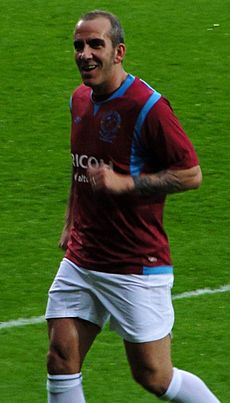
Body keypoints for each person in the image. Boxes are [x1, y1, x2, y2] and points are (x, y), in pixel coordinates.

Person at [45, 10, 220, 403]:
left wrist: (128, 184)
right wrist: (71, 219)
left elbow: (191, 174)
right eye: (78, 45)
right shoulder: (79, 100)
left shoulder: (148, 107)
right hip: (82, 258)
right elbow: (81, 166)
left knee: (154, 377)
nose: (85, 54)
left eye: (95, 45)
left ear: (118, 51)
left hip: (134, 263)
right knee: (60, 357)